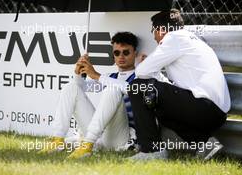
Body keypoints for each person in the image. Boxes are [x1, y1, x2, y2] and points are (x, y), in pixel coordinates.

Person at [127, 9, 231, 161]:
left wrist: (150, 67)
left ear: (161, 30)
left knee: (137, 87)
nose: (154, 37)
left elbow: (141, 72)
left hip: (204, 108)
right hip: (214, 112)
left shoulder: (174, 39)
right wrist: (154, 71)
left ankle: (151, 151)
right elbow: (169, 88)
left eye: (153, 31)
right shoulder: (190, 39)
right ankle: (206, 145)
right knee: (158, 105)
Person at [39, 32, 141, 159]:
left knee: (112, 90)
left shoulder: (141, 76)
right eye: (117, 53)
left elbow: (131, 89)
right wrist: (78, 73)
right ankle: (57, 140)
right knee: (70, 86)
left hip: (120, 137)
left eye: (126, 52)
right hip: (100, 135)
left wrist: (97, 76)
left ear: (135, 53)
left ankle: (87, 145)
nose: (121, 56)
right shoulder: (109, 77)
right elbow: (79, 87)